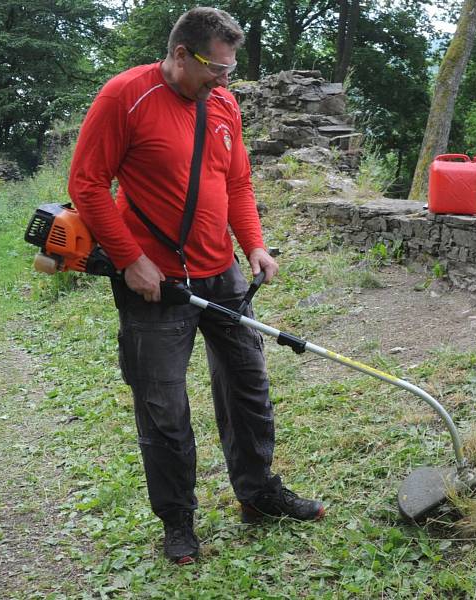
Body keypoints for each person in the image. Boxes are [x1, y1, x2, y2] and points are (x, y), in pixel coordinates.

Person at [67, 6, 324, 566]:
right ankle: (178, 523)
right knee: (164, 407)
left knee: (249, 388)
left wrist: (253, 243)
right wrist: (132, 260)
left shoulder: (223, 103)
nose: (225, 80)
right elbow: (87, 183)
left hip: (222, 274)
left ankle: (258, 495)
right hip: (156, 285)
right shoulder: (124, 96)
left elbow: (236, 181)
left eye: (230, 69)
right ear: (181, 54)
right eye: (216, 67)